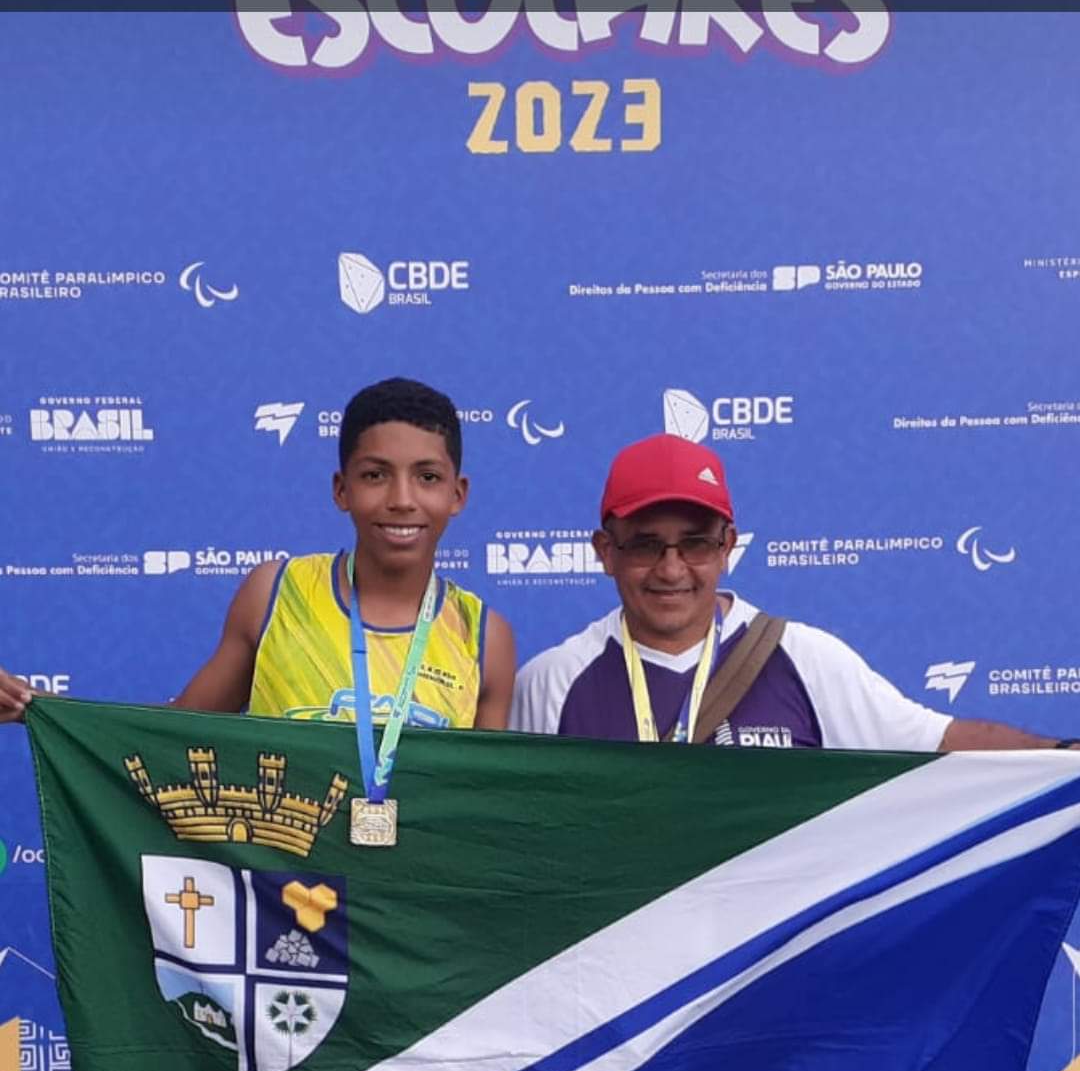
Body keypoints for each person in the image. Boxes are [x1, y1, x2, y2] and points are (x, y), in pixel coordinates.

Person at [510, 432, 1077, 753]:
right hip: (631, 961)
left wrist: (1059, 761)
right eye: (645, 545)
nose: (672, 568)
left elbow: (939, 741)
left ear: (728, 545)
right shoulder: (555, 680)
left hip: (771, 962)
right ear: (605, 551)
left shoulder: (805, 659)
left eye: (696, 544)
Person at [0, 377, 515, 729]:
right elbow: (177, 733)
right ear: (341, 489)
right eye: (375, 475)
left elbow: (481, 806)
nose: (401, 500)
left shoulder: (483, 636)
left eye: (426, 477)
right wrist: (45, 712)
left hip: (412, 890)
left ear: (457, 494)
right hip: (287, 889)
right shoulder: (276, 593)